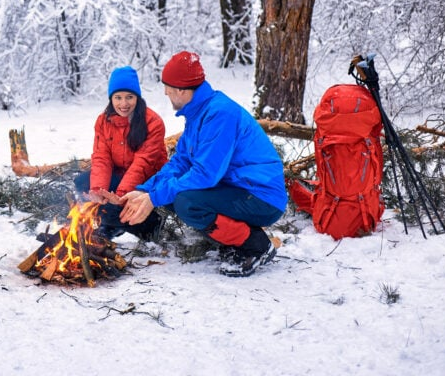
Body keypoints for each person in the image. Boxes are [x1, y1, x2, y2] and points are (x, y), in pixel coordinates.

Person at [120, 51, 286, 277]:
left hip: (261, 196)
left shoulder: (219, 114)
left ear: (181, 89)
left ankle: (255, 245)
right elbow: (180, 162)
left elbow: (204, 175)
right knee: (171, 195)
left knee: (187, 202)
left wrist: (154, 198)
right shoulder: (198, 114)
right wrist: (144, 191)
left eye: (168, 89)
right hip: (237, 189)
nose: (166, 93)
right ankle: (233, 240)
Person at [75, 65, 168, 241]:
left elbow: (143, 164)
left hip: (148, 181)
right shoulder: (103, 121)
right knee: (83, 183)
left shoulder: (153, 122)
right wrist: (98, 190)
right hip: (120, 175)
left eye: (129, 97)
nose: (123, 104)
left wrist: (120, 195)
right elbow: (102, 158)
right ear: (111, 99)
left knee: (112, 206)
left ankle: (151, 226)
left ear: (137, 98)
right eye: (118, 98)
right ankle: (112, 224)